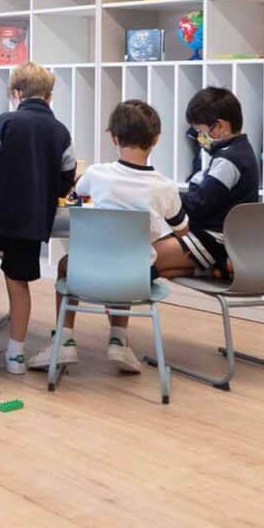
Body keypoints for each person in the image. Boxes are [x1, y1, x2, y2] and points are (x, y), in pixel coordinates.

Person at [28, 100, 191, 373]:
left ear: (114, 137)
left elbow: (75, 194)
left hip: (88, 273)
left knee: (65, 265)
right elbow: (182, 230)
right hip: (137, 277)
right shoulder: (165, 186)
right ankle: (118, 339)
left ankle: (65, 338)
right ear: (157, 139)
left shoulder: (96, 174)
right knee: (129, 258)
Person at [0, 63, 76, 374]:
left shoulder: (4, 122)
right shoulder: (60, 131)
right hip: (32, 219)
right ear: (49, 96)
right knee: (19, 282)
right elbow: (67, 174)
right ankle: (16, 353)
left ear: (16, 93)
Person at [179, 87, 260, 276]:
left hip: (218, 239)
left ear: (220, 127)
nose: (199, 137)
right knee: (162, 266)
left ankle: (221, 266)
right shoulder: (238, 150)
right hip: (225, 237)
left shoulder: (228, 160)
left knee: (151, 256)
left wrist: (167, 196)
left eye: (200, 131)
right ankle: (220, 269)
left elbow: (199, 203)